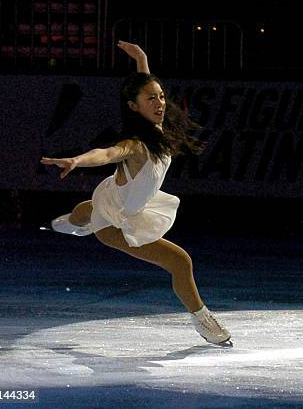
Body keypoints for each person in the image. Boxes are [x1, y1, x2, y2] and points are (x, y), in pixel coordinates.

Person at [40, 41, 231, 345]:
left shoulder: (153, 127)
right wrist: (77, 160)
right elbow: (106, 154)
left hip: (124, 201)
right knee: (180, 262)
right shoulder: (135, 145)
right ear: (133, 106)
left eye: (161, 96)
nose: (160, 103)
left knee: (88, 209)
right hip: (118, 221)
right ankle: (203, 321)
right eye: (151, 98)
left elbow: (144, 87)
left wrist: (142, 59)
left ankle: (72, 223)